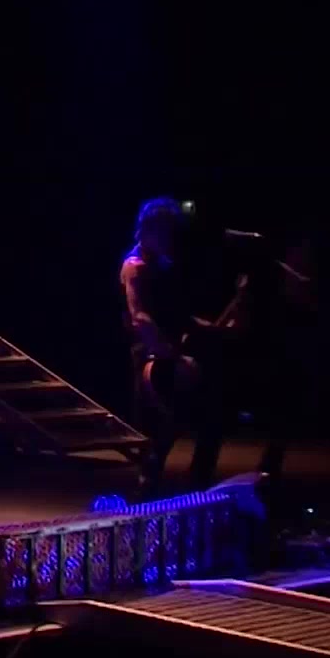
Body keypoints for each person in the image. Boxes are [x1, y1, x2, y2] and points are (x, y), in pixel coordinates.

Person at [120, 197, 246, 497]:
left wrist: (213, 330)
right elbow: (140, 317)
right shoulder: (135, 267)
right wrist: (172, 356)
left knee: (204, 423)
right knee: (161, 436)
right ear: (149, 229)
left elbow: (177, 315)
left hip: (171, 356)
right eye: (165, 232)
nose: (170, 239)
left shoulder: (161, 264)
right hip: (152, 357)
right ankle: (151, 499)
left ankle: (195, 491)